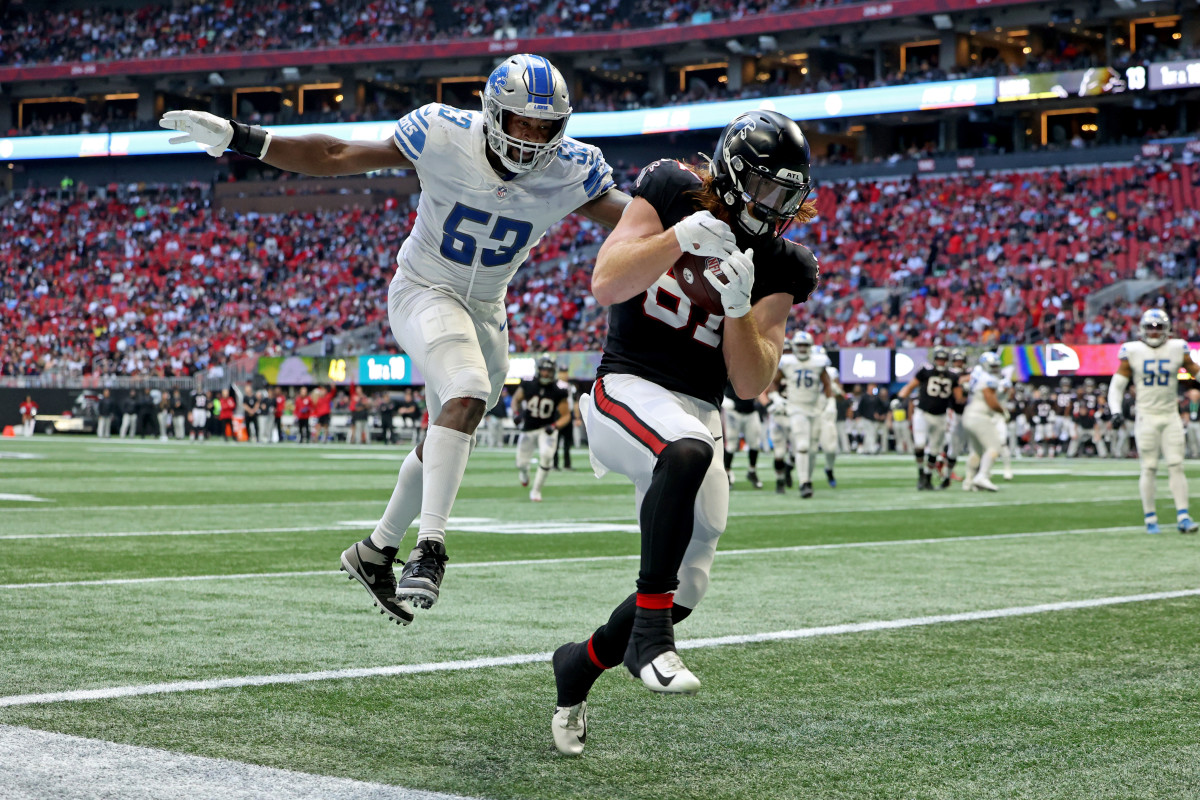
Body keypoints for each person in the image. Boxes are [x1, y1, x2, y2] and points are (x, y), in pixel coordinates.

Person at [161, 53, 628, 624]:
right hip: (424, 288)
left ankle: (375, 550)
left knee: (448, 429)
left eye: (544, 128)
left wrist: (700, 219)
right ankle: (429, 548)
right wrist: (244, 137)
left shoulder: (572, 169)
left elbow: (632, 220)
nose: (531, 140)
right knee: (467, 391)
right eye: (520, 124)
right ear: (491, 112)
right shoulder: (442, 132)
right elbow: (335, 155)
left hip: (487, 308)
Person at [549, 110, 819, 755]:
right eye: (765, 189)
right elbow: (606, 282)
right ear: (730, 175)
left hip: (701, 405)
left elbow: (750, 382)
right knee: (685, 451)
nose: (774, 207)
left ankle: (581, 663)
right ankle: (650, 640)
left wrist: (736, 313)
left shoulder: (787, 263)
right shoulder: (671, 187)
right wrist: (677, 240)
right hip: (627, 386)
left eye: (787, 194)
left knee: (689, 582)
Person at [1107, 309, 1200, 534]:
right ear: (1142, 329)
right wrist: (1115, 410)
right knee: (1148, 466)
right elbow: (1117, 385)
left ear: (1167, 329)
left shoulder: (1178, 348)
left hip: (1170, 415)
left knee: (1176, 464)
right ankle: (1150, 518)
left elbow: (1196, 372)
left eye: (1159, 328)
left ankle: (1183, 516)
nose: (1155, 332)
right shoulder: (1133, 351)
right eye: (1151, 327)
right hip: (1146, 415)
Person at [895, 347, 961, 491]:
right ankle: (920, 473)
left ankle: (927, 477)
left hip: (941, 416)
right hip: (923, 413)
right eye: (939, 359)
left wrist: (966, 390)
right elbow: (911, 385)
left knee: (934, 450)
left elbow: (959, 398)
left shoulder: (953, 375)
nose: (941, 362)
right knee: (919, 444)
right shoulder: (926, 371)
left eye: (943, 359)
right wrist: (900, 398)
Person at [777, 331, 833, 498]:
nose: (802, 349)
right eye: (799, 345)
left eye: (805, 345)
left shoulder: (818, 361)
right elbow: (773, 382)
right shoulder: (787, 362)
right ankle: (804, 483)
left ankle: (807, 479)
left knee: (814, 449)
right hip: (796, 408)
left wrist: (830, 402)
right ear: (794, 346)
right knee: (802, 446)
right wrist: (775, 397)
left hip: (815, 409)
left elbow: (827, 383)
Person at [512, 354, 571, 501]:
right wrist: (516, 413)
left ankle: (536, 490)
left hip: (547, 429)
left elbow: (566, 415)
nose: (546, 373)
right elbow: (516, 400)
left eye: (549, 370)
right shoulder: (528, 384)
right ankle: (524, 474)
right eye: (544, 370)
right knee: (521, 463)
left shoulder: (559, 390)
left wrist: (555, 425)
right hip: (529, 427)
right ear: (539, 370)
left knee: (547, 456)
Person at [961, 352, 1008, 492]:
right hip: (979, 415)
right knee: (994, 448)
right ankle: (982, 476)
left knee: (976, 451)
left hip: (969, 414)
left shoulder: (976, 375)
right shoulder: (987, 379)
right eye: (993, 366)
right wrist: (1003, 412)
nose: (995, 369)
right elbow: (991, 401)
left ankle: (968, 481)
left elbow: (962, 381)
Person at [721, 380, 764, 488]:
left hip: (751, 411)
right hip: (733, 411)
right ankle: (727, 473)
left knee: (755, 444)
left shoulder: (752, 368)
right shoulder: (728, 367)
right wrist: (723, 399)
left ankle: (752, 471)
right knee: (731, 445)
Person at [553, 366, 578, 470]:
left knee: (568, 442)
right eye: (562, 372)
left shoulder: (571, 387)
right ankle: (555, 464)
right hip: (557, 415)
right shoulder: (554, 386)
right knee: (555, 442)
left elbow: (575, 402)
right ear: (559, 373)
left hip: (569, 414)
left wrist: (577, 417)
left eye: (566, 372)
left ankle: (567, 464)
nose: (565, 374)